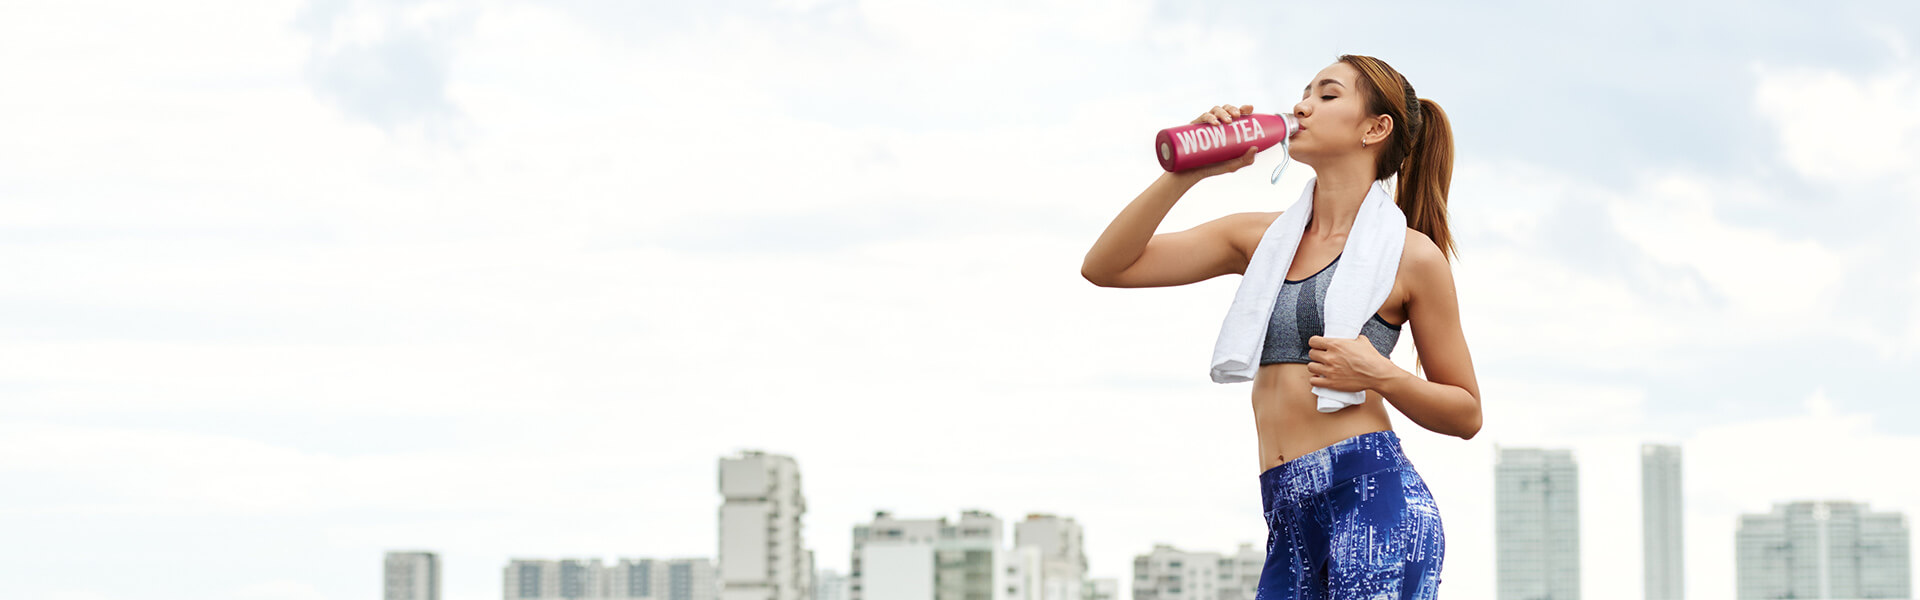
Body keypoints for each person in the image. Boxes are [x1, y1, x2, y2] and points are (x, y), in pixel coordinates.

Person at [1080, 55, 1482, 599]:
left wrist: (1381, 374)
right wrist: (1188, 173)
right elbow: (1107, 267)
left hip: (1371, 499)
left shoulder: (1413, 257)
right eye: (1304, 93)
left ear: (1375, 127)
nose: (1302, 105)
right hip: (1286, 510)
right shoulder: (1259, 238)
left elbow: (1466, 412)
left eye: (1327, 94)